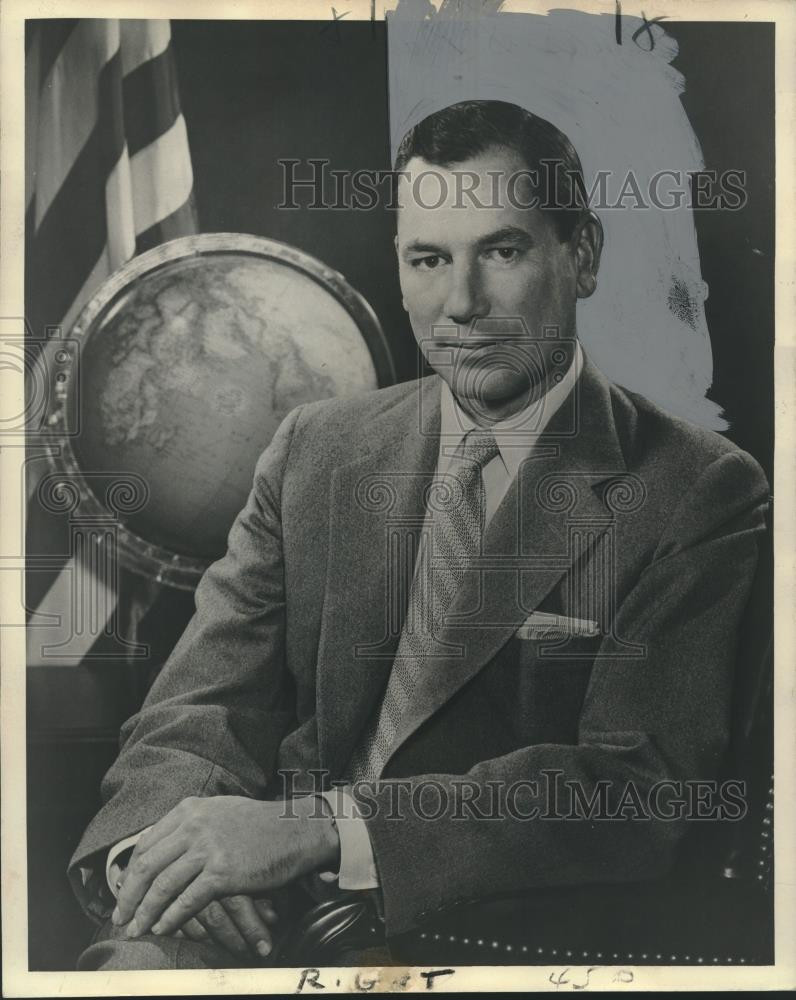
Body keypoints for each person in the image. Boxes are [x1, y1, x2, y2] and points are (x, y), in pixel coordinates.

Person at [68, 100, 769, 970]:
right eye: (428, 259)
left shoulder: (697, 490)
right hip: (242, 909)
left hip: (467, 934)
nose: (461, 305)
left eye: (502, 252)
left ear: (581, 256)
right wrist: (158, 863)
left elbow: (634, 790)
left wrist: (321, 831)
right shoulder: (316, 449)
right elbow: (198, 705)